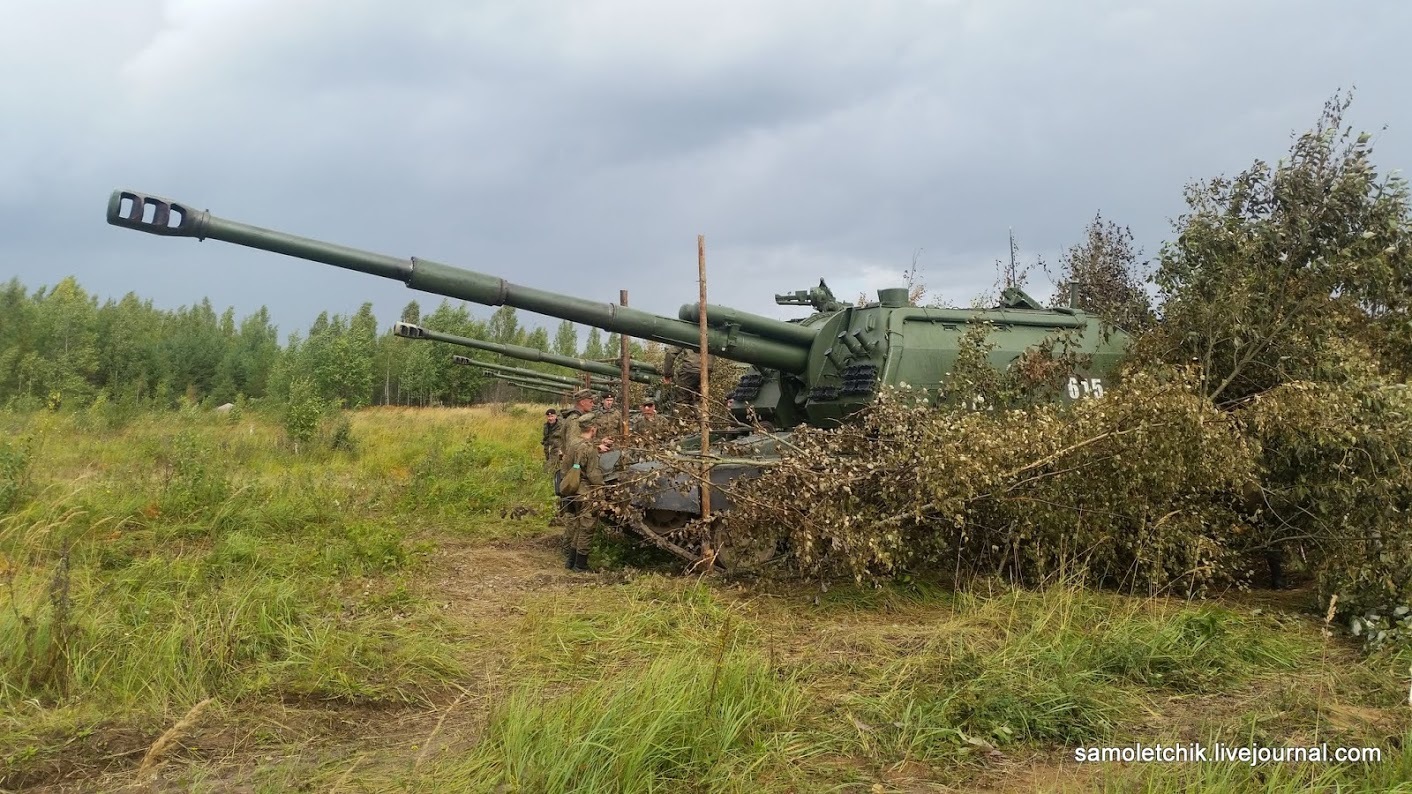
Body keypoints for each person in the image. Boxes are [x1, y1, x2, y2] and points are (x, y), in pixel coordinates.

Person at [559, 416, 606, 572]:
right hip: (585, 492)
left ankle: (571, 561)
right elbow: (593, 474)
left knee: (579, 526)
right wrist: (602, 489)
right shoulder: (588, 448)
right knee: (587, 528)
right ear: (592, 428)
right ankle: (581, 565)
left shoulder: (572, 444)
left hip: (572, 491)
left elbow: (564, 468)